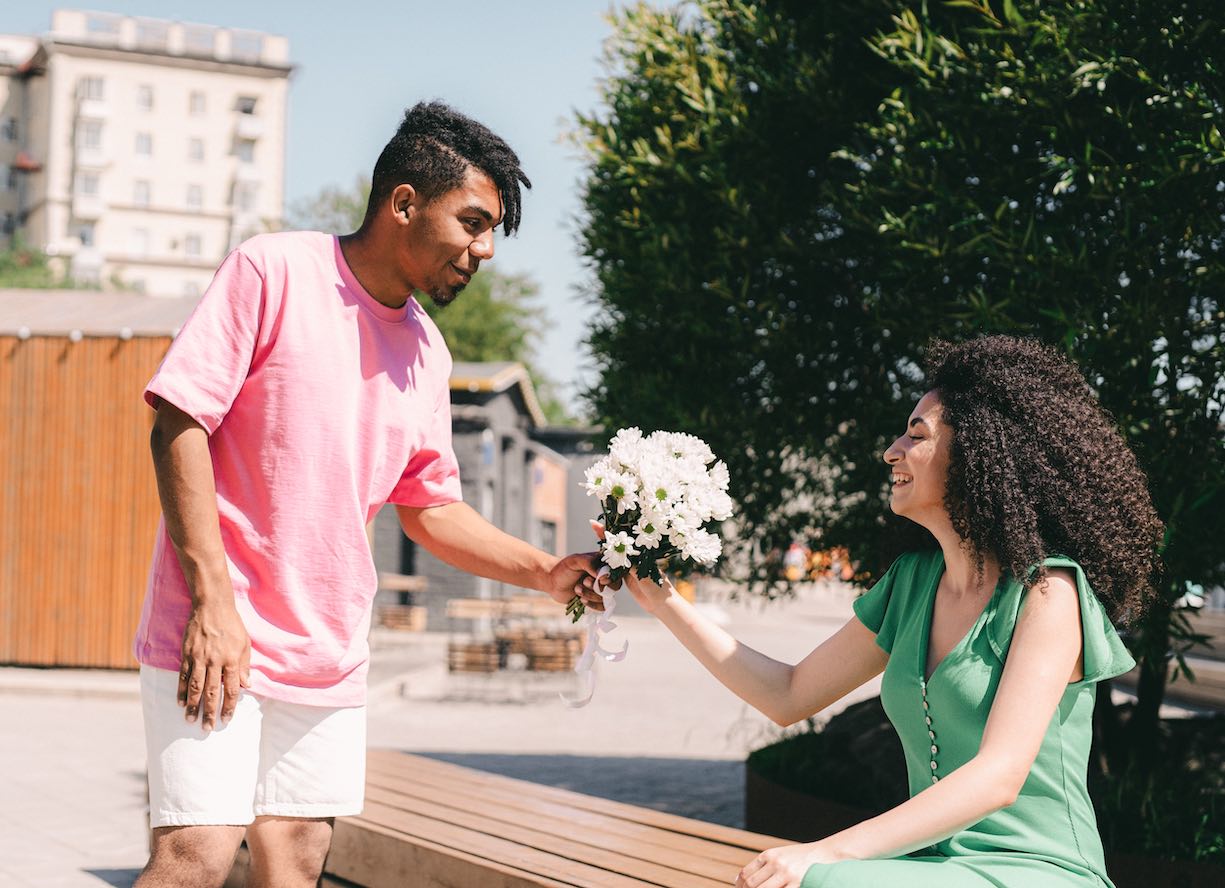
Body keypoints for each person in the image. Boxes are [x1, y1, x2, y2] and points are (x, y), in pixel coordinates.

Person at [132, 101, 603, 888]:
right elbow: (178, 425)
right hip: (215, 633)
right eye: (473, 223)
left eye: (492, 233)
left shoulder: (427, 350)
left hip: (328, 651)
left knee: (299, 857)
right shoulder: (271, 270)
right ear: (405, 202)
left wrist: (542, 571)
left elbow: (431, 507)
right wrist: (213, 604)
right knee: (195, 859)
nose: (484, 250)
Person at [600, 335, 1161, 887]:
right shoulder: (911, 585)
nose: (891, 450)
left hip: (1039, 870)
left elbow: (999, 777)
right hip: (934, 869)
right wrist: (662, 600)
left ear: (979, 453)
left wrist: (826, 853)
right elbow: (788, 694)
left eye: (916, 435)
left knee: (813, 882)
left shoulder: (1047, 591)